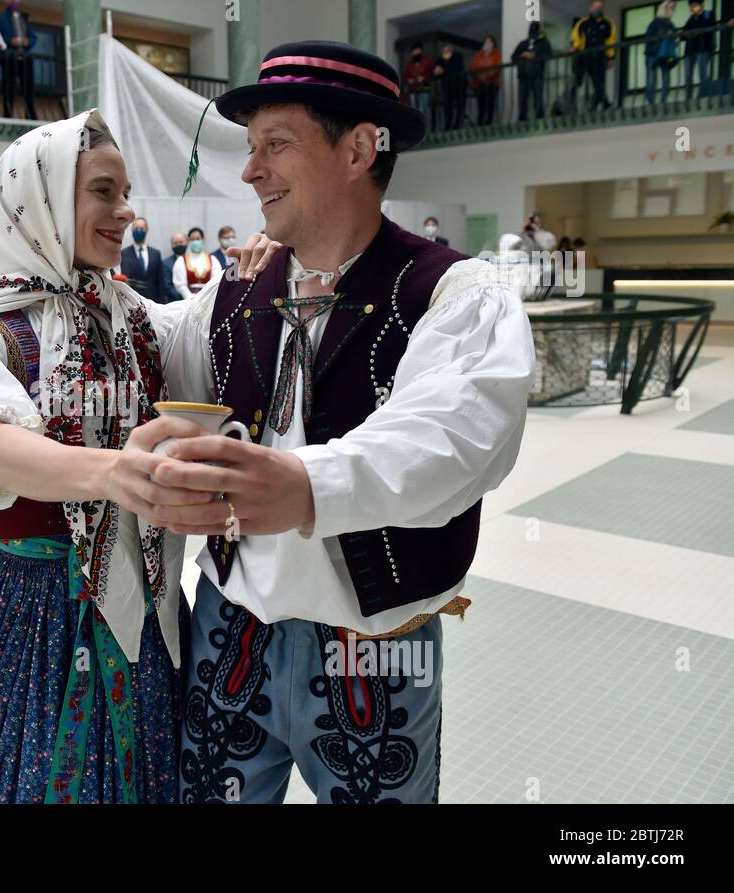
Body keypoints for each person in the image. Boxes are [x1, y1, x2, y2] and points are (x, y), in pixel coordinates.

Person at [149, 40, 535, 804]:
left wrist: (303, 482)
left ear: (359, 149)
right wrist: (36, 299)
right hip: (231, 630)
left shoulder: (456, 290)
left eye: (275, 145)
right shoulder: (233, 295)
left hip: (376, 649)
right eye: (251, 148)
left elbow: (453, 439)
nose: (250, 170)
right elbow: (147, 344)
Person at [0, 110, 281, 804]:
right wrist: (114, 473)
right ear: (43, 197)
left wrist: (254, 275)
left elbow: (202, 327)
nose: (125, 212)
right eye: (103, 191)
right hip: (30, 608)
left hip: (141, 607)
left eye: (126, 193)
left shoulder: (134, 315)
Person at [571, 0, 616, 111]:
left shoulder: (608, 23)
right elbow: (576, 38)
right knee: (577, 81)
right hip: (584, 56)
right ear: (590, 8)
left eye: (599, 7)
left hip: (600, 57)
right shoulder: (582, 23)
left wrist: (611, 57)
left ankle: (596, 106)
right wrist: (575, 48)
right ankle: (570, 104)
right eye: (595, 7)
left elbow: (610, 42)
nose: (597, 9)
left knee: (598, 82)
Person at [0, 0, 36, 119]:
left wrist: (28, 41)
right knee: (9, 89)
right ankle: (8, 116)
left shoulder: (24, 18)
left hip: (25, 58)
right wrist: (10, 41)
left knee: (28, 89)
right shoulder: (2, 18)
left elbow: (33, 37)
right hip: (9, 58)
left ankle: (31, 117)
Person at [512, 20, 552, 121]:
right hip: (523, 75)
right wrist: (523, 55)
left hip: (537, 74)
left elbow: (549, 55)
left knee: (538, 98)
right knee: (522, 99)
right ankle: (522, 119)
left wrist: (535, 56)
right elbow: (514, 57)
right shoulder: (523, 44)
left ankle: (539, 118)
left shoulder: (544, 43)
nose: (532, 34)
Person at [171, 226, 223, 301]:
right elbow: (180, 285)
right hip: (188, 300)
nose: (195, 242)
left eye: (198, 239)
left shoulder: (213, 260)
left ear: (202, 240)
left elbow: (216, 281)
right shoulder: (181, 260)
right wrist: (190, 297)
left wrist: (206, 297)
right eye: (192, 239)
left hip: (208, 299)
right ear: (188, 241)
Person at [119, 216, 163, 301]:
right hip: (132, 301)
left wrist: (161, 303)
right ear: (132, 230)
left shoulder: (156, 254)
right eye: (136, 228)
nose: (139, 231)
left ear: (147, 230)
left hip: (153, 301)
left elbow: (160, 282)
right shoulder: (123, 254)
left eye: (142, 228)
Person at [645, 2, 681, 106]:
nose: (671, 11)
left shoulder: (671, 25)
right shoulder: (654, 23)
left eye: (673, 9)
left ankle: (663, 101)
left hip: (665, 55)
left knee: (666, 78)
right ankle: (650, 102)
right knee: (651, 79)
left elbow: (675, 40)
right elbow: (648, 38)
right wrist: (663, 38)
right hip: (652, 54)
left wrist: (674, 39)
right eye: (669, 8)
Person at [680, 2, 717, 100]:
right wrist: (690, 33)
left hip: (703, 49)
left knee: (702, 73)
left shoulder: (708, 14)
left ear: (701, 5)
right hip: (689, 51)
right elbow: (682, 35)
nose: (692, 8)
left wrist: (694, 32)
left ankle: (704, 94)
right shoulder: (691, 19)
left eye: (694, 5)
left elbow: (710, 27)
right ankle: (688, 96)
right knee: (688, 75)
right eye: (691, 6)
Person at [433, 42, 466, 130]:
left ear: (451, 50)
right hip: (446, 87)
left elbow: (456, 68)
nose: (446, 52)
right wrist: (437, 72)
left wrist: (444, 69)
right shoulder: (440, 59)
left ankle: (457, 125)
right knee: (448, 108)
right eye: (444, 50)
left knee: (460, 106)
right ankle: (448, 126)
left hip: (459, 86)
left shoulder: (457, 56)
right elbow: (435, 73)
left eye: (448, 50)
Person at [469, 35, 501, 125]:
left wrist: (487, 76)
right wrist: (480, 76)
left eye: (489, 42)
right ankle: (480, 123)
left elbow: (497, 67)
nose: (487, 44)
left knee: (490, 104)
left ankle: (488, 122)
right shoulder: (478, 54)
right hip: (479, 84)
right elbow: (473, 67)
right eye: (486, 42)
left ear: (493, 44)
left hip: (492, 83)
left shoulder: (496, 55)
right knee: (481, 105)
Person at [402, 43, 433, 123]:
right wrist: (408, 80)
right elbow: (405, 76)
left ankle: (425, 131)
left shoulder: (427, 61)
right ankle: (417, 130)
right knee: (414, 112)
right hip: (413, 90)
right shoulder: (410, 64)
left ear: (421, 51)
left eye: (417, 50)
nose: (415, 52)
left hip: (424, 89)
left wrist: (424, 78)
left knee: (423, 111)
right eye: (414, 51)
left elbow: (432, 74)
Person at [162, 231, 187, 302]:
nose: (178, 245)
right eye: (175, 243)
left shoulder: (192, 260)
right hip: (176, 303)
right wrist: (185, 298)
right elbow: (168, 286)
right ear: (171, 245)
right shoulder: (166, 263)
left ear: (186, 242)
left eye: (181, 242)